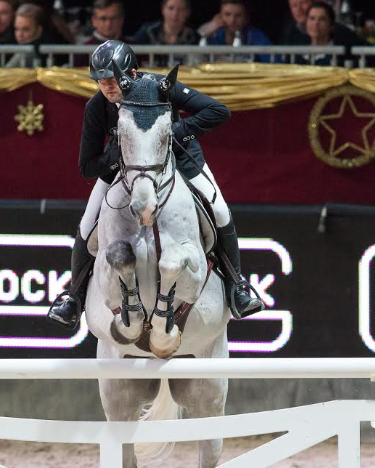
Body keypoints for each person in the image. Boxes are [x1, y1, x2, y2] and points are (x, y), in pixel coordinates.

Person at [47, 40, 265, 330]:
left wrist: (177, 133)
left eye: (112, 80)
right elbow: (87, 166)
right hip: (126, 170)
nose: (107, 87)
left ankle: (237, 287)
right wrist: (117, 154)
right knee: (88, 223)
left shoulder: (162, 87)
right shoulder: (97, 107)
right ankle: (73, 297)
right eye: (100, 81)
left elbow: (218, 111)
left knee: (220, 209)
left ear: (132, 73)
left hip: (180, 160)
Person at [200, 0, 274, 62]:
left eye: (238, 15)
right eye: (227, 14)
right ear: (219, 16)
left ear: (246, 18)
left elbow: (273, 62)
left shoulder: (256, 36)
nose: (232, 20)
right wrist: (206, 33)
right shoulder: (212, 35)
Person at [131, 0, 198, 46]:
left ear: (187, 13)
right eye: (170, 8)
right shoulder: (148, 32)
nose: (175, 14)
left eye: (181, 9)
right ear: (163, 10)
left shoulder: (194, 37)